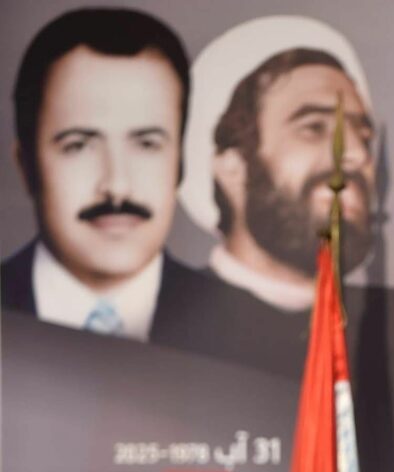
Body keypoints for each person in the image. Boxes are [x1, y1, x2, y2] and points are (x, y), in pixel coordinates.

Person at [1, 7, 260, 359]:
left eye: (147, 144)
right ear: (26, 165)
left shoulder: (259, 335)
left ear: (179, 163)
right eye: (78, 146)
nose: (118, 186)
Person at [179, 17, 394, 379]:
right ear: (233, 166)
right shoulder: (164, 325)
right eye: (313, 128)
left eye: (363, 135)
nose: (358, 155)